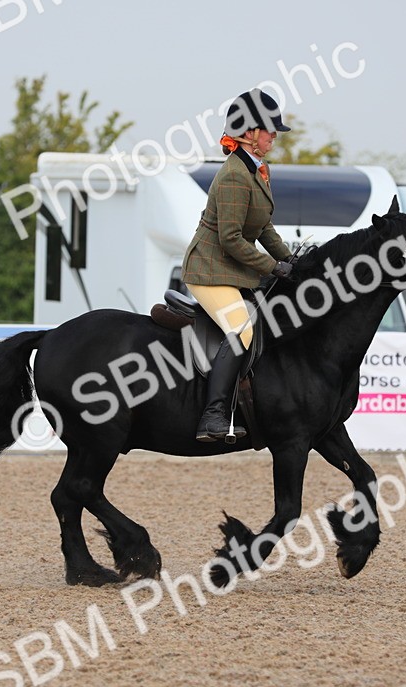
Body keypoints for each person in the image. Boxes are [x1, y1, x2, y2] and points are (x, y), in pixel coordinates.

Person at [181, 89, 296, 441]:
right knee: (243, 328)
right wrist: (271, 268)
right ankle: (214, 416)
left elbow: (263, 228)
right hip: (208, 270)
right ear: (248, 133)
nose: (274, 136)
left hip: (232, 270)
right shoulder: (233, 174)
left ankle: (246, 408)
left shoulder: (259, 170)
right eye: (269, 130)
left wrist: (291, 259)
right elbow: (231, 238)